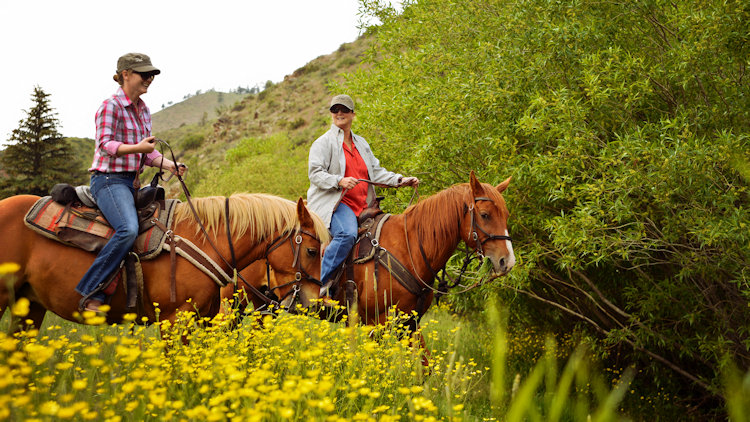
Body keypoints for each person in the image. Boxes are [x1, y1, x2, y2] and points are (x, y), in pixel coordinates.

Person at [77, 53, 187, 312]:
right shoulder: (110, 106)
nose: (149, 79)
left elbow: (148, 153)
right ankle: (91, 290)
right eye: (143, 74)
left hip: (132, 183)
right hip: (108, 180)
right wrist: (137, 147)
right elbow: (105, 145)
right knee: (127, 229)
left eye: (151, 75)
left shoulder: (144, 109)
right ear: (125, 74)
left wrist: (170, 165)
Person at [307, 94, 419, 297]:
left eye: (344, 110)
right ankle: (318, 285)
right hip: (337, 204)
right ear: (331, 114)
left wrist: (400, 180)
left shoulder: (361, 143)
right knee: (346, 234)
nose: (339, 113)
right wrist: (339, 181)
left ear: (352, 114)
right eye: (335, 110)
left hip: (364, 205)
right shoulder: (323, 143)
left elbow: (376, 172)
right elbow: (315, 173)